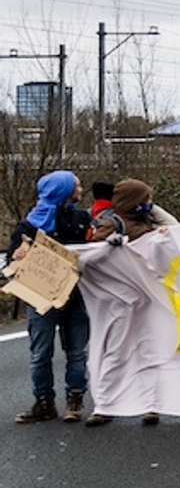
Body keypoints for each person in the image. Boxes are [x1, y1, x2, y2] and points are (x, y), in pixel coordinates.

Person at [11, 172, 94, 425]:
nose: (81, 188)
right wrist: (18, 256)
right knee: (41, 353)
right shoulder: (29, 226)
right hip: (41, 297)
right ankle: (43, 402)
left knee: (76, 352)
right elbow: (10, 260)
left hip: (76, 296)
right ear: (64, 190)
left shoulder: (82, 220)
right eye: (76, 184)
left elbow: (95, 250)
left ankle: (74, 399)